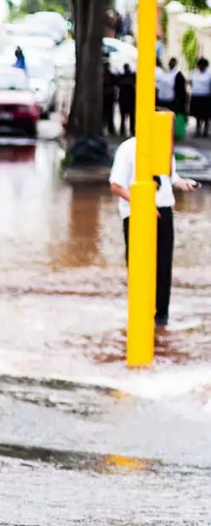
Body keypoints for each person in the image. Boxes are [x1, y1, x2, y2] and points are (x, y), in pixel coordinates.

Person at [110, 127, 199, 327]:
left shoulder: (165, 149)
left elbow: (170, 177)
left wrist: (181, 182)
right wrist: (142, 205)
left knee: (164, 266)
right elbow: (116, 185)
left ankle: (161, 320)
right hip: (137, 213)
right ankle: (139, 317)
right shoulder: (128, 148)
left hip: (164, 210)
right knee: (139, 266)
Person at [192, 57, 211, 137]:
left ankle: (205, 131)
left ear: (206, 66)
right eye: (200, 65)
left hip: (206, 97)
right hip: (196, 96)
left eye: (203, 65)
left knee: (206, 116)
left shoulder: (209, 73)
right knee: (197, 116)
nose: (201, 66)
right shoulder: (194, 73)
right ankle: (197, 130)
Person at [117, 63, 136, 137]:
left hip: (124, 100)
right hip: (129, 100)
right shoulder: (131, 77)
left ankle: (123, 130)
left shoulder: (122, 78)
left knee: (124, 117)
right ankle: (131, 130)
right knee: (130, 117)